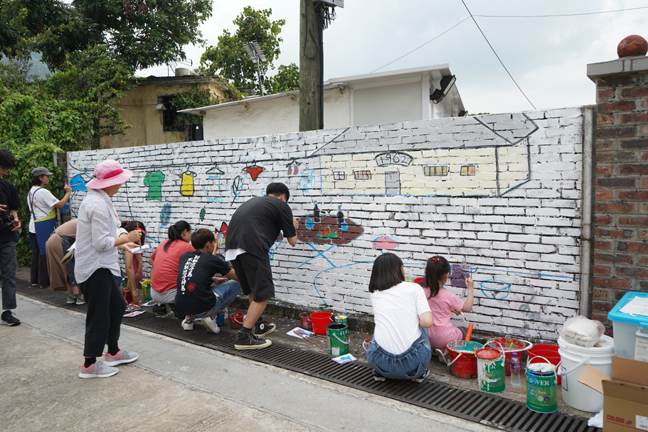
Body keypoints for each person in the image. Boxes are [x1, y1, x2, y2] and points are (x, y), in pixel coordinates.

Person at [75, 159, 142, 379]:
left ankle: (113, 351)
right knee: (99, 316)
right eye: (120, 181)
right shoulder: (97, 205)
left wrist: (123, 243)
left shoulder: (101, 200)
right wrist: (127, 237)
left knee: (115, 307)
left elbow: (104, 238)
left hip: (101, 266)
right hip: (96, 268)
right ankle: (89, 364)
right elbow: (101, 243)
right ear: (111, 183)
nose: (121, 184)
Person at [225, 183, 298, 350]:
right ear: (283, 197)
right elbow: (292, 241)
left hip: (232, 247)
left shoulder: (254, 202)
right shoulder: (282, 205)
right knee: (264, 293)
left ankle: (259, 325)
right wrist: (295, 225)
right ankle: (244, 337)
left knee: (253, 289)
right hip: (253, 246)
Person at [365, 253, 434, 382]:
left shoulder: (374, 292)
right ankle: (419, 374)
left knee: (381, 324)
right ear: (399, 269)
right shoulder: (414, 288)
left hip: (379, 361)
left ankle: (380, 373)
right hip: (413, 364)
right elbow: (427, 321)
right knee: (422, 325)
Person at [176, 228, 240, 333]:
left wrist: (213, 279)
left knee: (190, 287)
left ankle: (188, 320)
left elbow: (193, 275)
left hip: (182, 309)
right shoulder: (212, 260)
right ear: (208, 245)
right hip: (203, 310)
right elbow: (238, 277)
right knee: (238, 283)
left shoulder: (184, 257)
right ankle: (211, 317)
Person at [424, 256, 474, 363]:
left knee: (439, 337)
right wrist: (470, 288)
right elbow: (468, 308)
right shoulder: (449, 296)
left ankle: (436, 349)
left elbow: (433, 305)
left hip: (428, 336)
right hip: (445, 337)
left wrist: (448, 308)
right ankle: (447, 351)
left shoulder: (423, 292)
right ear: (446, 276)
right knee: (463, 331)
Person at [27, 166, 72, 288]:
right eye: (46, 176)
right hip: (44, 225)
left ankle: (35, 280)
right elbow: (60, 204)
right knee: (44, 252)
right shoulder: (43, 192)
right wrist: (68, 192)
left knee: (36, 252)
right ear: (40, 178)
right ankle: (44, 281)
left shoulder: (31, 191)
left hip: (34, 224)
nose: (48, 178)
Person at [149, 220, 194, 329]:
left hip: (154, 293)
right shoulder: (187, 247)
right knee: (193, 277)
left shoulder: (163, 243)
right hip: (172, 294)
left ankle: (162, 304)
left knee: (156, 268)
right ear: (185, 232)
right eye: (190, 232)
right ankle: (185, 311)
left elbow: (151, 261)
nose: (191, 235)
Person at [0, 150, 22, 326]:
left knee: (9, 273)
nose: (5, 170)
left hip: (7, 235)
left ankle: (7, 311)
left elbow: (13, 207)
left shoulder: (8, 186)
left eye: (7, 167)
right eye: (3, 166)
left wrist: (14, 218)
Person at [45, 218, 85, 305]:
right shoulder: (86, 223)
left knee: (65, 270)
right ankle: (80, 295)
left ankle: (71, 296)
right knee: (72, 267)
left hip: (51, 240)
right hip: (60, 241)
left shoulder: (81, 220)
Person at [119, 220, 146, 307]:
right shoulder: (134, 244)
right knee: (130, 288)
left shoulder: (131, 246)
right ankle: (133, 302)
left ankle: (136, 303)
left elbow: (129, 267)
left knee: (132, 289)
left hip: (134, 272)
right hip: (135, 271)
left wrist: (138, 272)